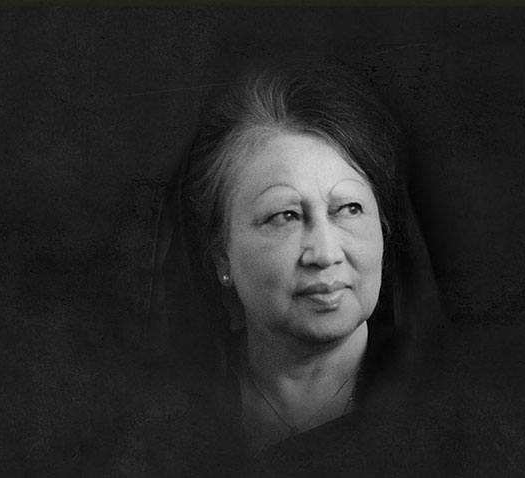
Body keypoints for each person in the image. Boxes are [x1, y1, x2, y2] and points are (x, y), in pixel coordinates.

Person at [146, 58, 444, 476]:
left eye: (349, 209)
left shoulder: (453, 410)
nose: (324, 253)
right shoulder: (157, 419)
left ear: (383, 229)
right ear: (222, 256)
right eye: (284, 216)